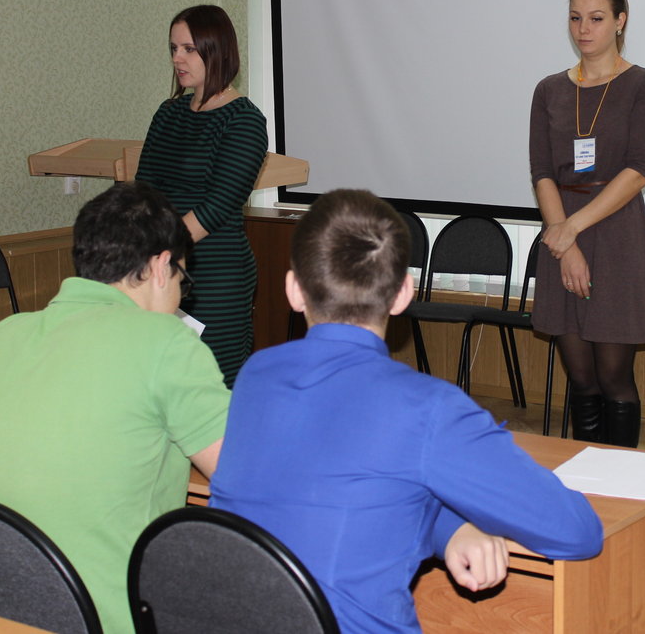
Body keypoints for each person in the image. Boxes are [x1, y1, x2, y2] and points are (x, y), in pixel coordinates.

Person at [210, 189, 602, 634]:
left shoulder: (257, 376)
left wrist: (448, 528)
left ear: (293, 290)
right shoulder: (427, 408)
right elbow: (577, 532)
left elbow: (350, 494)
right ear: (403, 294)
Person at [0, 182, 231, 634]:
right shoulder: (166, 342)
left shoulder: (2, 335)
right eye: (183, 279)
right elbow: (245, 474)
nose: (180, 295)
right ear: (161, 266)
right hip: (103, 616)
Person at [529, 0, 645, 448]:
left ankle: (622, 478)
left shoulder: (642, 85)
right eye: (575, 18)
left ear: (620, 21)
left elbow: (638, 171)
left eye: (596, 18)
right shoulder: (549, 89)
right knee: (581, 378)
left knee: (613, 378)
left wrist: (572, 229)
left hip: (615, 234)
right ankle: (585, 476)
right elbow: (542, 172)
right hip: (560, 235)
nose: (583, 29)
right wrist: (564, 242)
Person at [136, 4, 268, 387]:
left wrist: (162, 256)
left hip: (215, 276)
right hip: (161, 268)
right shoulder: (168, 113)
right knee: (164, 383)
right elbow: (144, 191)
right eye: (173, 48)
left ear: (217, 51)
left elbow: (217, 207)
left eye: (189, 49)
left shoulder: (243, 120)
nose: (177, 58)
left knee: (212, 384)